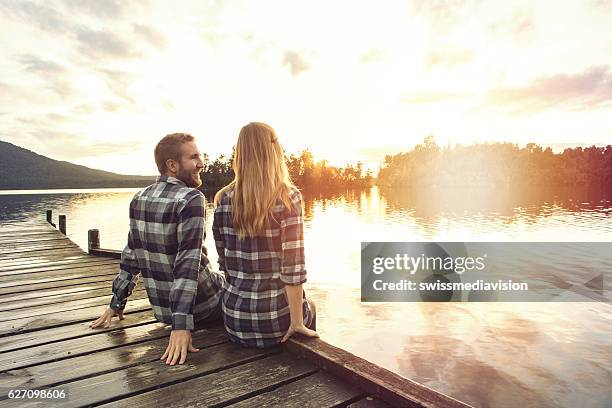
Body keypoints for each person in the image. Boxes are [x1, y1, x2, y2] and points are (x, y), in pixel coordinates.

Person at [90, 133, 224, 365]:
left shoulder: (139, 197)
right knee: (238, 284)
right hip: (203, 308)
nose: (201, 163)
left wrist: (117, 301)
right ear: (172, 165)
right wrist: (181, 326)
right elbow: (187, 264)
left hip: (163, 312)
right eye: (193, 157)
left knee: (220, 275)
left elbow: (131, 254)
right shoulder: (191, 198)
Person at [212, 122, 318, 348]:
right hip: (275, 321)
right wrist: (297, 321)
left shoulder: (222, 199)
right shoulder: (288, 198)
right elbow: (293, 267)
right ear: (274, 151)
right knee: (313, 306)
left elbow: (224, 261)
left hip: (234, 319)